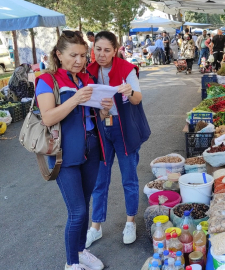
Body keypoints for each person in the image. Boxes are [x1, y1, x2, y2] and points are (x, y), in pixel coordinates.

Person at [35, 30, 113, 270]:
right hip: (64, 154)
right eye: (73, 55)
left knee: (86, 203)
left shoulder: (84, 78)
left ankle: (80, 251)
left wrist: (104, 110)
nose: (79, 60)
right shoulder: (47, 80)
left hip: (91, 148)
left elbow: (93, 116)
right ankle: (71, 263)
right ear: (58, 54)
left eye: (82, 55)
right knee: (77, 211)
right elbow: (48, 118)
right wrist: (75, 99)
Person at [85, 31, 151, 247]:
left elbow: (137, 98)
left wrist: (130, 91)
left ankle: (130, 221)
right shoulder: (89, 71)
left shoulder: (126, 69)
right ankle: (95, 226)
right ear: (93, 49)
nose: (101, 54)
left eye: (106, 50)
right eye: (98, 49)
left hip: (124, 131)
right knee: (99, 179)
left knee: (129, 178)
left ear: (115, 51)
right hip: (101, 129)